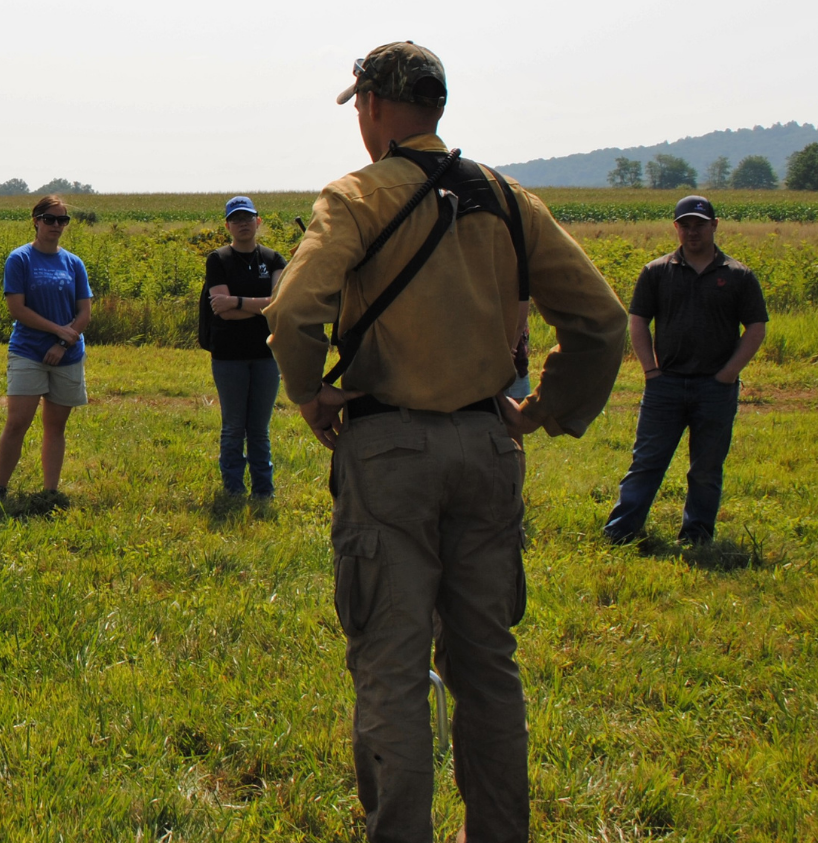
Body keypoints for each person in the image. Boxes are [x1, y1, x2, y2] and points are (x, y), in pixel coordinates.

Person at [266, 42, 627, 842]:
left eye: (359, 106)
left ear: (374, 107)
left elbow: (293, 313)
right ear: (436, 105)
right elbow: (601, 323)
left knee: (392, 668)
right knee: (487, 668)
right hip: (489, 447)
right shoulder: (506, 199)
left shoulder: (356, 194)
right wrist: (541, 410)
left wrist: (309, 395)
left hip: (387, 453)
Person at [603, 195, 768, 546]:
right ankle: (620, 533)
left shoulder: (738, 276)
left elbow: (756, 327)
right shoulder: (657, 272)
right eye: (686, 225)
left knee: (706, 469)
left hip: (716, 388)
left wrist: (728, 374)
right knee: (647, 463)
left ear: (714, 225)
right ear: (676, 228)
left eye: (700, 224)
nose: (693, 232)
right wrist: (650, 371)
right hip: (666, 385)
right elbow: (637, 322)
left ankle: (697, 537)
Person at [0, 195, 93, 503]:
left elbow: (85, 313)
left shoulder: (73, 263)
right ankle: (0, 489)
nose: (56, 225)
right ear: (35, 221)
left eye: (62, 220)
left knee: (56, 426)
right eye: (49, 219)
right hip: (28, 351)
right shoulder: (20, 259)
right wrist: (56, 331)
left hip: (67, 354)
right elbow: (17, 309)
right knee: (17, 423)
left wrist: (63, 343)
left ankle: (50, 491)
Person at [200, 195, 286, 498]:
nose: (243, 223)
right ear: (228, 225)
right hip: (229, 355)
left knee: (260, 430)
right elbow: (220, 310)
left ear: (258, 221)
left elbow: (279, 304)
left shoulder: (274, 259)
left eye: (248, 218)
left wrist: (237, 302)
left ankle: (264, 491)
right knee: (234, 426)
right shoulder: (218, 259)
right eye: (236, 219)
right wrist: (260, 306)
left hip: (266, 354)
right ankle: (233, 489)